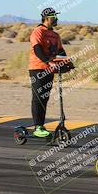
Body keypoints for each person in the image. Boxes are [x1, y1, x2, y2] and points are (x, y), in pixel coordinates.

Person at [28, 7, 67, 137]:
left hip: (50, 70)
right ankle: (37, 127)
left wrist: (67, 64)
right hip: (37, 69)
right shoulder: (38, 32)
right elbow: (37, 49)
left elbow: (61, 52)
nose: (56, 19)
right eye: (54, 17)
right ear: (47, 18)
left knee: (44, 98)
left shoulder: (56, 35)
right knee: (38, 97)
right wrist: (48, 61)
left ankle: (41, 126)